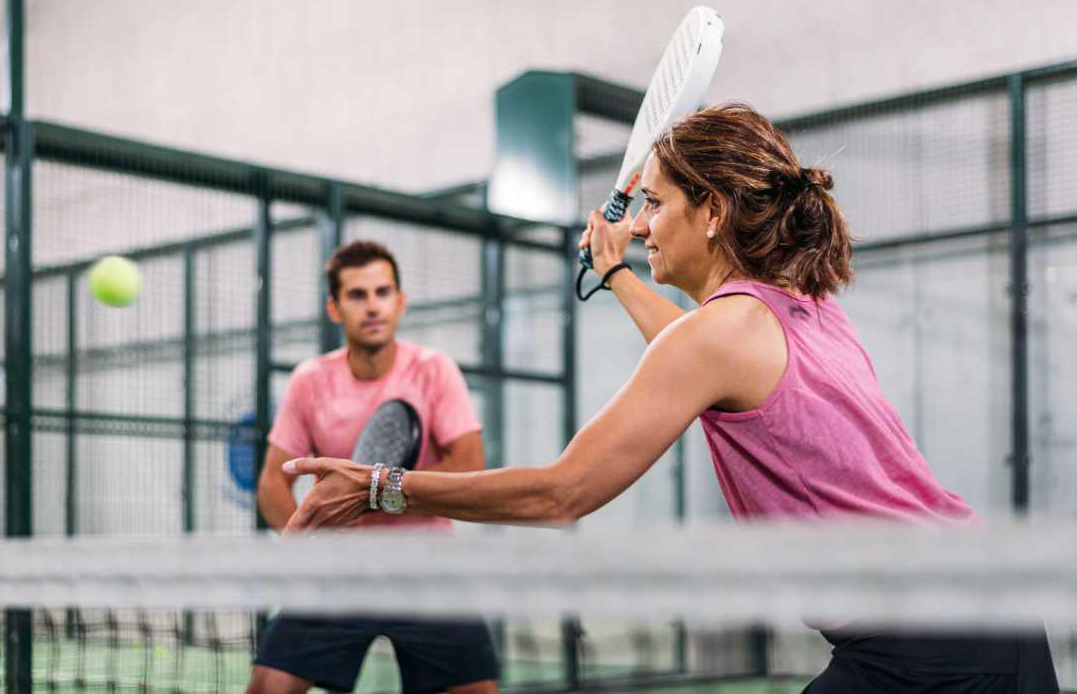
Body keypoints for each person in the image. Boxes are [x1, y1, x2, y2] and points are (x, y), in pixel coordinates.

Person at [281, 104, 1060, 693]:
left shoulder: (720, 336)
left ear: (713, 212)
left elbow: (562, 494)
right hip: (995, 617)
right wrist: (617, 271)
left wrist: (382, 489)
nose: (645, 223)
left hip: (924, 645)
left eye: (656, 203)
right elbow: (691, 352)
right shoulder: (800, 303)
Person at [246, 241, 500, 694]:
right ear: (334, 307)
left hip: (428, 571)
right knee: (267, 686)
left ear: (400, 302)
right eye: (357, 295)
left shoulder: (433, 370)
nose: (373, 306)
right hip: (340, 575)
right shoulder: (310, 380)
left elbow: (468, 463)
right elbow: (272, 482)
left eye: (383, 292)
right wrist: (307, 546)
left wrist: (372, 492)